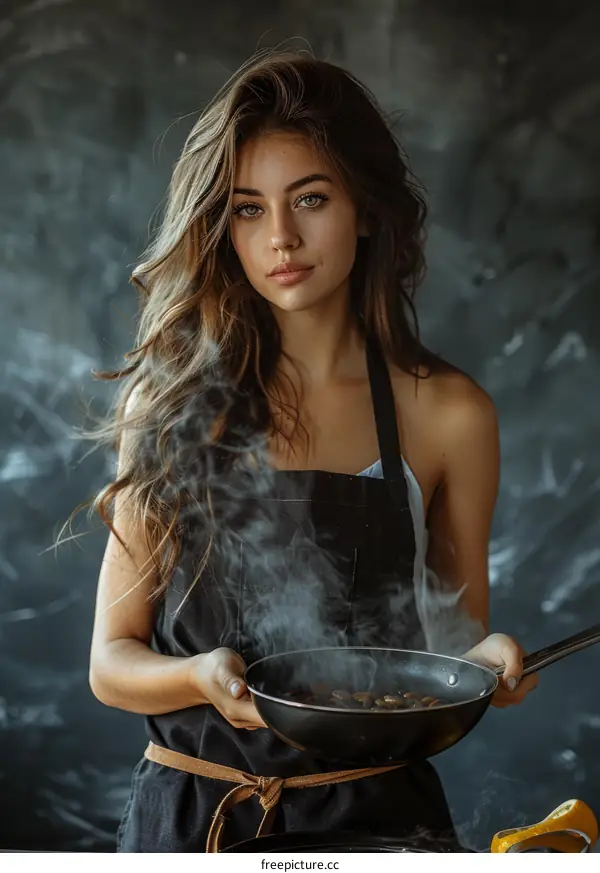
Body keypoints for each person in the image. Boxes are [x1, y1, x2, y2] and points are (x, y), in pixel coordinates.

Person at [84, 51, 538, 852]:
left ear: (364, 208)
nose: (281, 238)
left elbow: (440, 657)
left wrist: (486, 660)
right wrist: (198, 677)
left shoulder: (450, 416)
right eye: (249, 209)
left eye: (311, 199)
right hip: (194, 821)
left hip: (378, 822)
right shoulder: (170, 405)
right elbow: (111, 662)